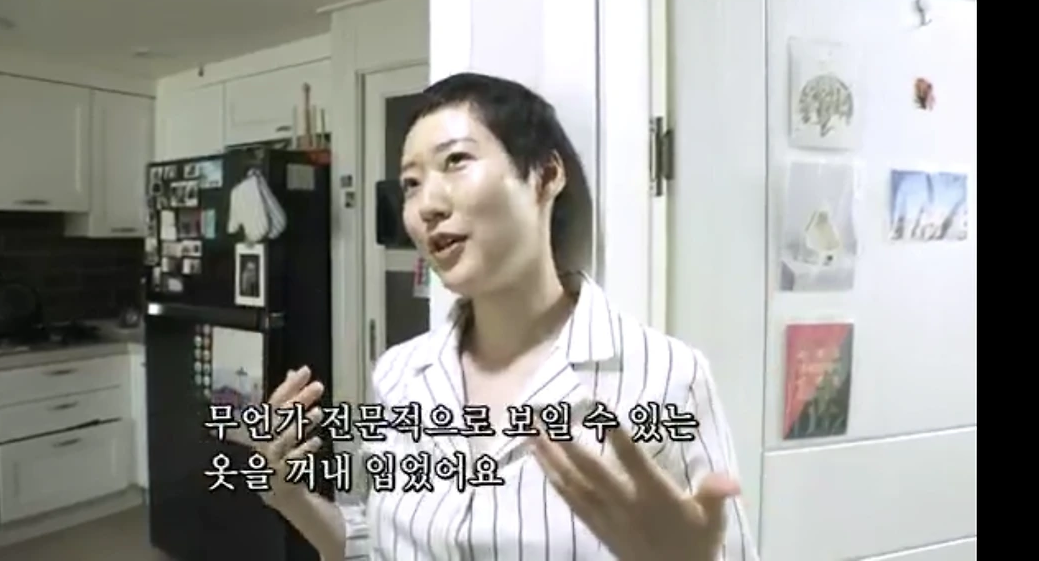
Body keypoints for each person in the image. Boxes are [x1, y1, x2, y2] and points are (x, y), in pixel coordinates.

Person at [251, 72, 759, 561]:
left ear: (546, 176)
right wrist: (286, 494)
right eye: (410, 183)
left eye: (455, 161)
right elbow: (378, 544)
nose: (426, 205)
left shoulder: (665, 377)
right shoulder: (400, 375)